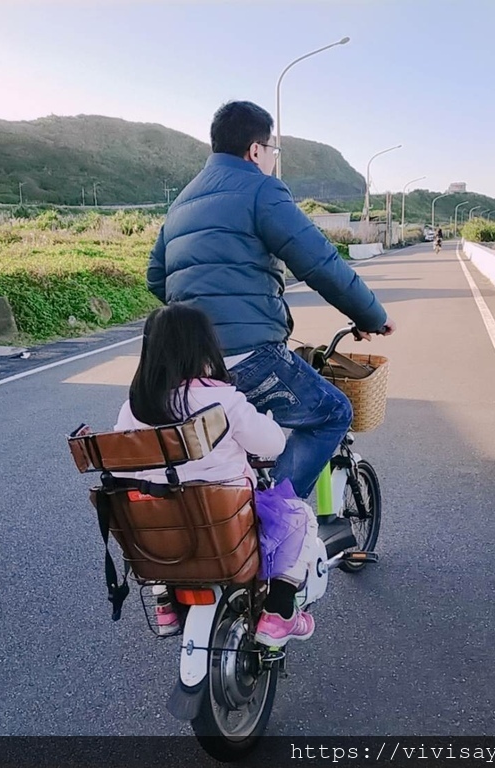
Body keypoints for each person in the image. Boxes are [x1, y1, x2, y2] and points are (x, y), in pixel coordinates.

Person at [147, 101, 396, 502]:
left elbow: (157, 277)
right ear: (256, 150)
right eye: (272, 150)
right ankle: (272, 519)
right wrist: (370, 315)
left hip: (188, 362)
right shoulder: (262, 190)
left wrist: (201, 314)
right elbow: (319, 262)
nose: (271, 159)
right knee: (332, 413)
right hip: (248, 357)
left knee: (239, 434)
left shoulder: (181, 203)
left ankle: (237, 513)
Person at [113, 304, 320, 646]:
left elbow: (128, 463)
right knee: (299, 518)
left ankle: (165, 598)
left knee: (163, 513)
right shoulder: (221, 399)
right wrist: (265, 422)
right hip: (224, 518)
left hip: (161, 526)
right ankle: (279, 611)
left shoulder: (135, 406)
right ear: (204, 347)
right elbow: (271, 445)